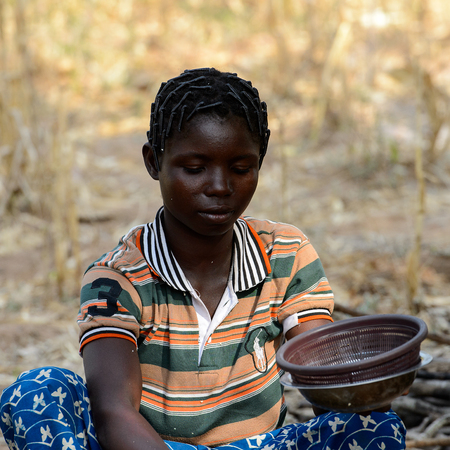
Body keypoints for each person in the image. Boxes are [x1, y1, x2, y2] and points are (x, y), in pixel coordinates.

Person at [0, 68, 406, 450]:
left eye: (241, 167)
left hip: (262, 445)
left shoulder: (286, 253)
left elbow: (323, 378)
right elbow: (112, 413)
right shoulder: (118, 279)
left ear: (260, 164)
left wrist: (367, 390)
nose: (219, 186)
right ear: (153, 162)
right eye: (194, 168)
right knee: (35, 392)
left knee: (376, 427)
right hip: (150, 446)